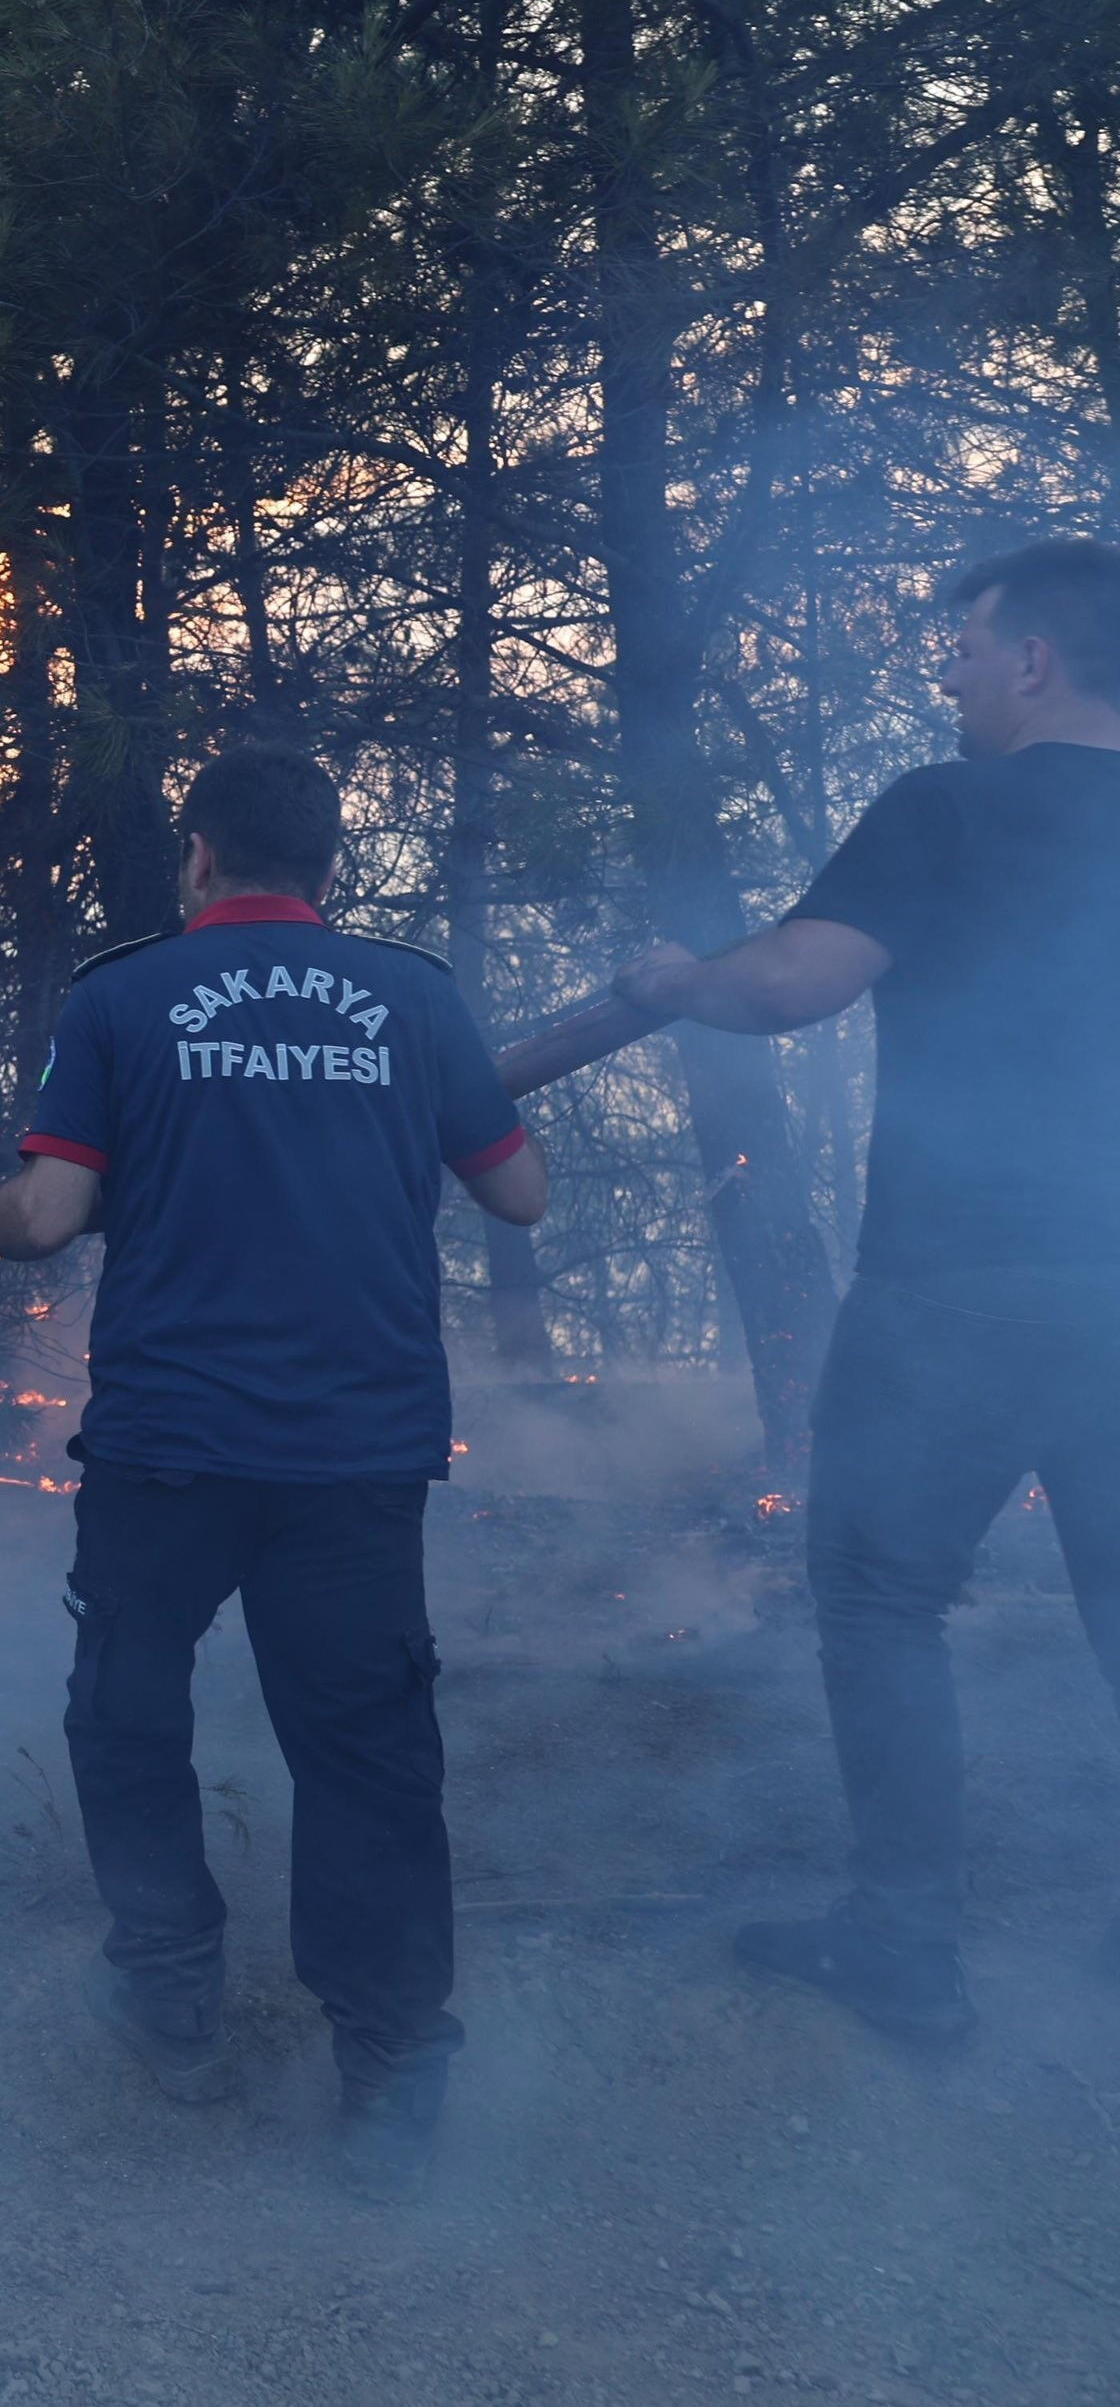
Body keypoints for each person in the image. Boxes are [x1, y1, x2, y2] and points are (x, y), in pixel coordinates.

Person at [0, 745, 550, 2202]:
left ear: (197, 858)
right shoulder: (417, 998)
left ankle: (171, 1995)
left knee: (128, 1716)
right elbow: (519, 1189)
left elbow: (50, 1211)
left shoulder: (124, 995)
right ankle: (387, 2077)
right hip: (356, 1455)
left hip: (170, 1448)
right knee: (367, 1759)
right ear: (327, 868)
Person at [614, 536, 1120, 2048]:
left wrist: (681, 981)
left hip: (959, 1285)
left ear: (1033, 658)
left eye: (966, 646)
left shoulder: (954, 807)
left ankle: (905, 1943)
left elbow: (789, 985)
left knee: (882, 1600)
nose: (950, 674)